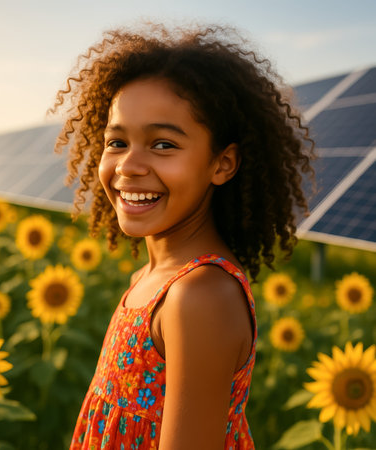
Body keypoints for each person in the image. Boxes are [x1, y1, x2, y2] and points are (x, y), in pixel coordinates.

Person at [50, 23, 315, 450]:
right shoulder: (151, 279)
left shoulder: (200, 296)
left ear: (223, 164)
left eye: (164, 145)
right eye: (116, 141)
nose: (129, 166)